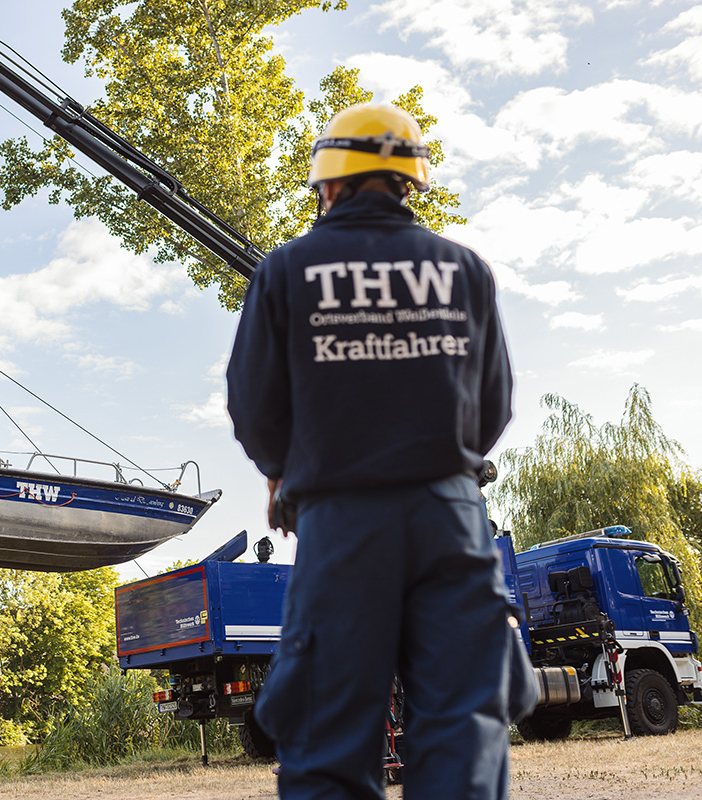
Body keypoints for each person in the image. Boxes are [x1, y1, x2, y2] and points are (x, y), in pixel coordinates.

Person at [226, 103, 536, 800]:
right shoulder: (464, 270)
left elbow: (252, 407)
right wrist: (433, 460)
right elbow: (493, 407)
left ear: (327, 185)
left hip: (341, 522)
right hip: (450, 520)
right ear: (410, 183)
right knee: (463, 725)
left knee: (327, 730)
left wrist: (284, 472)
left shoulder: (285, 271)